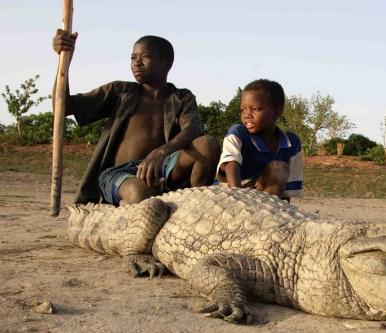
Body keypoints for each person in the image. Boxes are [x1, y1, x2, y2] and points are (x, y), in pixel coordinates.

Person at [52, 30, 220, 205]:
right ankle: (134, 200)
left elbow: (193, 129)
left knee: (208, 144)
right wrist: (64, 60)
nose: (136, 63)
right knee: (140, 192)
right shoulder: (120, 92)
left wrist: (160, 152)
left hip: (164, 166)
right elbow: (63, 106)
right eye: (133, 58)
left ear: (167, 63)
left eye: (145, 57)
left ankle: (194, 203)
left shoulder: (181, 97)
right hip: (121, 173)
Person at [217, 79, 303, 200]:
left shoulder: (292, 142)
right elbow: (230, 163)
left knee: (278, 168)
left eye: (255, 109)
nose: (247, 115)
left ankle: (269, 216)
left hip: (266, 201)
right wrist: (237, 197)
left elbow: (287, 193)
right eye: (243, 109)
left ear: (276, 113)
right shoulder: (238, 133)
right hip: (233, 196)